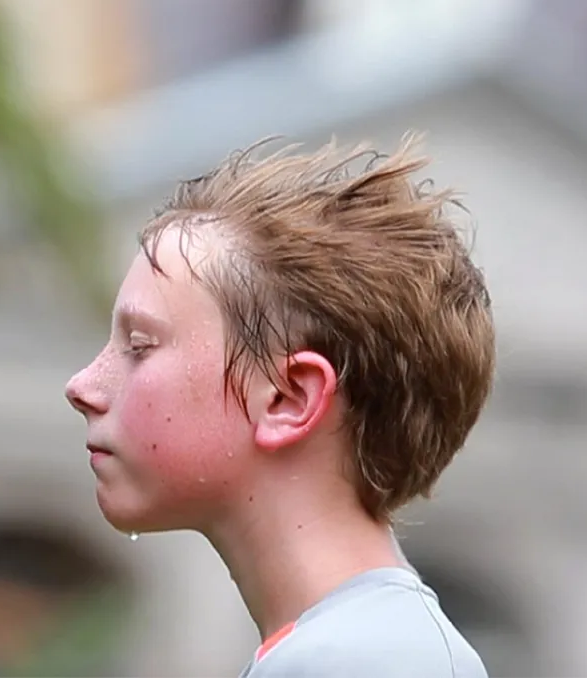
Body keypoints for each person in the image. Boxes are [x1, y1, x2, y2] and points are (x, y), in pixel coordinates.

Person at [65, 135, 495, 677]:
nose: (82, 385)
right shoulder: (356, 649)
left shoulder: (357, 662)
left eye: (140, 346)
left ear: (289, 398)